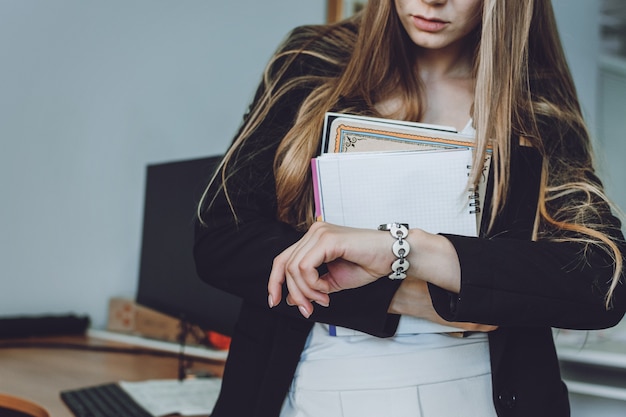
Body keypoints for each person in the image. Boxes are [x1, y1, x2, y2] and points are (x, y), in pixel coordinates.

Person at [194, 1, 626, 416]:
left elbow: (602, 281)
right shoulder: (311, 61)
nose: (432, 1)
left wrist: (411, 251)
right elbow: (222, 239)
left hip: (477, 393)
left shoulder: (532, 102)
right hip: (310, 384)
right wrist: (407, 295)